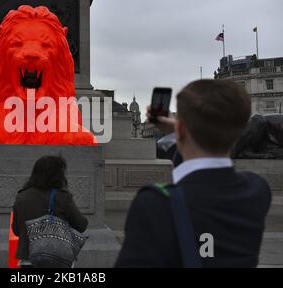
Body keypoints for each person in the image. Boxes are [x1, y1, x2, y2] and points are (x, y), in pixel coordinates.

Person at [115, 79, 271, 267]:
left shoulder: (154, 205)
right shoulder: (257, 191)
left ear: (180, 130)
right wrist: (182, 131)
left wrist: (180, 132)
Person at [12, 155, 88, 267]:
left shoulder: (22, 197)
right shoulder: (63, 197)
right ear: (58, 176)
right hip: (57, 259)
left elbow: (16, 230)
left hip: (28, 258)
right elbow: (81, 225)